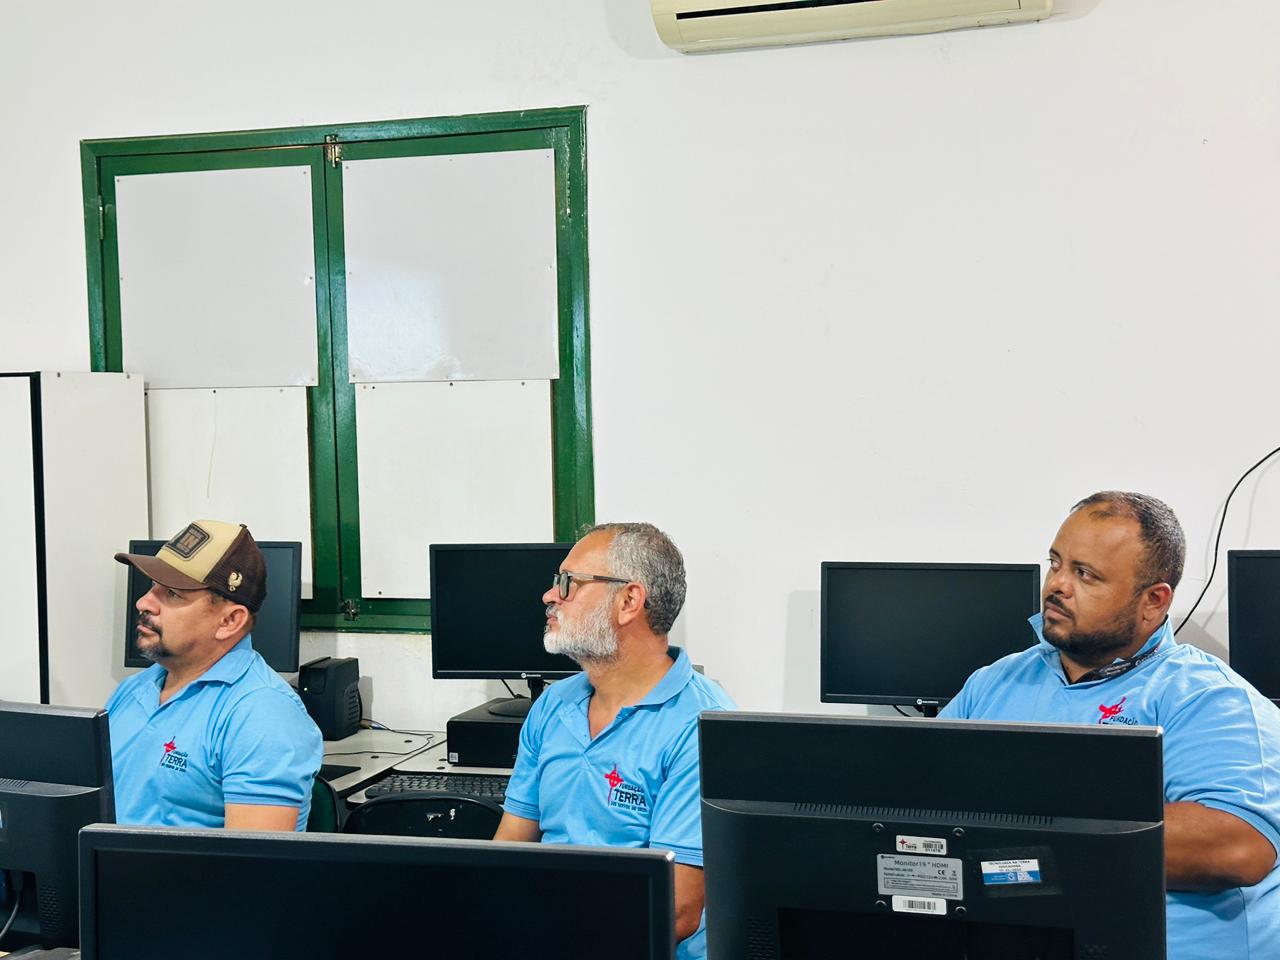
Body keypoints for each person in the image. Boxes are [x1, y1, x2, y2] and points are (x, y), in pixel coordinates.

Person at [942, 491, 1280, 958]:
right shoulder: (994, 683)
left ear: (1152, 601)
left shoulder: (1208, 697)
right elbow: (914, 797)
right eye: (1056, 563)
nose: (1057, 585)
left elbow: (1236, 847)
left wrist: (1016, 846)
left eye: (1085, 574)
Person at [494, 522, 735, 959]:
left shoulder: (702, 725)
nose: (550, 596)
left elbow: (676, 911)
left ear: (628, 601)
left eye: (568, 583)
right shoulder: (553, 705)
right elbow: (509, 846)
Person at [106, 519, 322, 831]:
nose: (144, 603)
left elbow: (250, 857)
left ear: (229, 621)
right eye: (152, 586)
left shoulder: (262, 714)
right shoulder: (132, 690)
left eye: (172, 594)